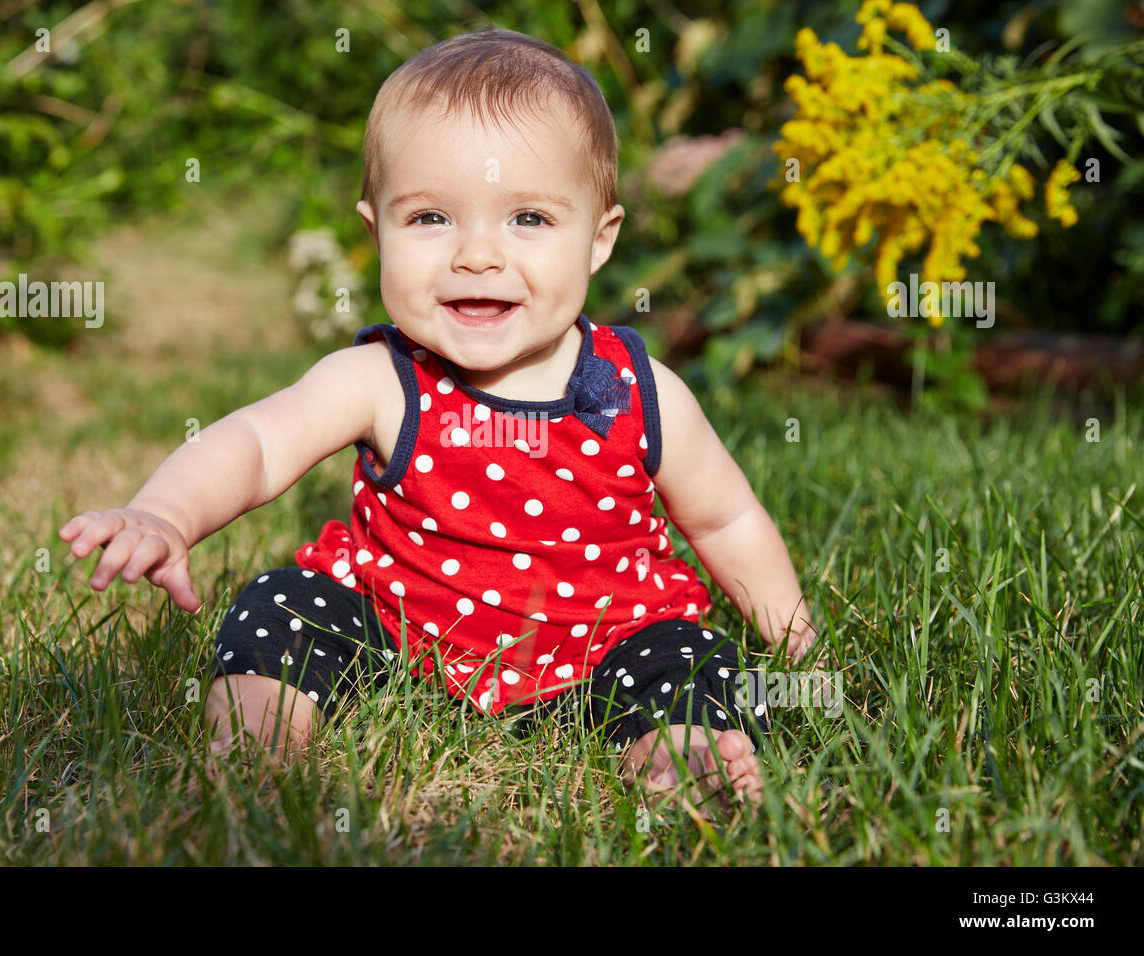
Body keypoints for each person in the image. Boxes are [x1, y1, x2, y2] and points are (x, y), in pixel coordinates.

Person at [59, 27, 823, 813]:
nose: (477, 255)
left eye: (528, 218)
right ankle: (255, 750)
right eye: (430, 220)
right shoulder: (384, 379)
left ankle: (675, 758)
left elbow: (726, 519)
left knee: (690, 658)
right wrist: (165, 512)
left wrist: (796, 637)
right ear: (375, 233)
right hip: (401, 634)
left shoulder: (638, 390)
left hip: (608, 638)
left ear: (599, 241)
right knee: (279, 605)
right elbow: (256, 443)